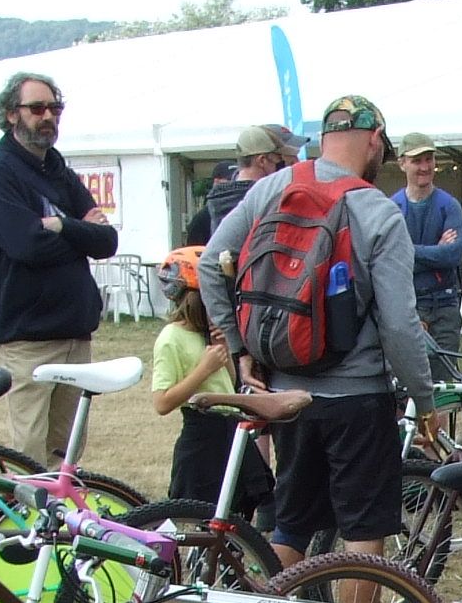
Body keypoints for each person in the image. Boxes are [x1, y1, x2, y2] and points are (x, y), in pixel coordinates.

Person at [198, 92, 437, 570]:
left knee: (292, 526)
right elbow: (398, 324)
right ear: (374, 141)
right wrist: (425, 400)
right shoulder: (378, 211)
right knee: (364, 536)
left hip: (286, 391)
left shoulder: (271, 188)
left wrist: (241, 349)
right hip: (357, 399)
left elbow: (208, 264)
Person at [0, 70, 121, 461]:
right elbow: (27, 247)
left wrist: (61, 226)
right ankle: (29, 524)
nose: (48, 116)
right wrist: (79, 234)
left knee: (67, 455)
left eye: (55, 108)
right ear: (10, 114)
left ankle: (61, 524)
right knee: (31, 457)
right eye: (36, 108)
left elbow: (107, 242)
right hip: (28, 339)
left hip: (74, 331)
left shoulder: (57, 170)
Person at [148, 252, 307, 512]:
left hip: (230, 430)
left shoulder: (210, 335)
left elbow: (228, 383)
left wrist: (224, 352)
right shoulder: (170, 338)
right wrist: (203, 370)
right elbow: (162, 402)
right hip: (201, 435)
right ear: (195, 299)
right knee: (197, 515)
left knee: (238, 511)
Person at [393, 131, 462, 376]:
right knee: (405, 385)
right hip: (407, 307)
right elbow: (389, 262)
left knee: (443, 388)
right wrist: (435, 251)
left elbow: (453, 255)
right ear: (402, 163)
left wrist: (408, 251)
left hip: (444, 305)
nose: (425, 167)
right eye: (417, 160)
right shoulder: (392, 208)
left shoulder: (449, 205)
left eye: (429, 159)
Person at [182, 126, 297, 247]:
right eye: (277, 160)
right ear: (262, 161)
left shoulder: (211, 207)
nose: (280, 166)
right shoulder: (269, 202)